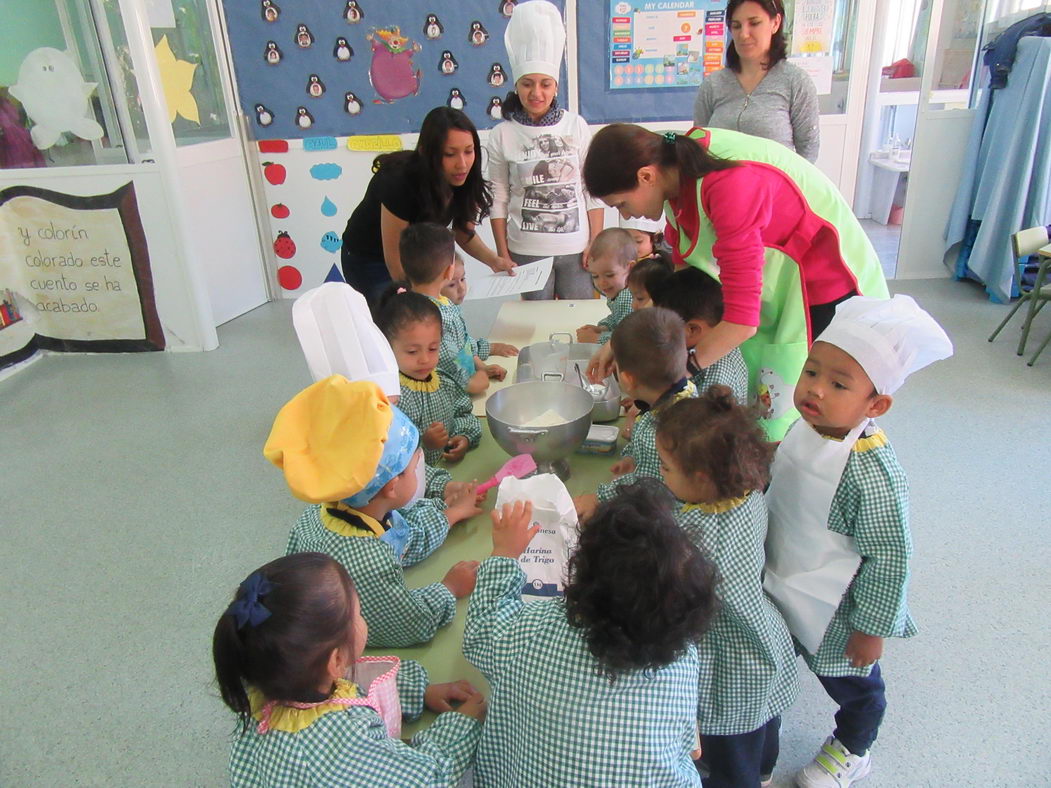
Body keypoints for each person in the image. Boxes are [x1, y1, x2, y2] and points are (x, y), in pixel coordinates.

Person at [582, 123, 889, 440]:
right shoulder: (675, 180)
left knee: (816, 414)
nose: (627, 216)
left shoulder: (727, 185)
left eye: (621, 204)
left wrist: (679, 373)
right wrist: (623, 343)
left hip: (826, 289)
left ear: (646, 176)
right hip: (776, 287)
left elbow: (742, 322)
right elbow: (684, 296)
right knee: (765, 404)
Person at [763, 295, 953, 787]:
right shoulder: (807, 426)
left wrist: (871, 629)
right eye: (811, 372)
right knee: (780, 657)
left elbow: (892, 556)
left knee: (853, 686)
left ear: (876, 404)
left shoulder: (872, 475)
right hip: (786, 574)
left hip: (840, 610)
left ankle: (854, 746)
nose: (815, 389)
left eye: (838, 383)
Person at [463, 482, 720, 786]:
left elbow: (480, 632)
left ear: (580, 573)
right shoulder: (684, 657)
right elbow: (689, 747)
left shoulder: (529, 632)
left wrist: (504, 554)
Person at [213, 552, 485, 786]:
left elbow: (355, 691)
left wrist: (419, 692)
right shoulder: (342, 744)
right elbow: (430, 779)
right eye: (358, 614)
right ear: (336, 661)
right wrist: (461, 725)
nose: (362, 619)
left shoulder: (270, 682)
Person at [264, 376, 481, 647]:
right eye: (416, 467)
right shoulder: (370, 562)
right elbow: (407, 626)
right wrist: (449, 588)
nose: (421, 472)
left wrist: (452, 513)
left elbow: (402, 539)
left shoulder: (332, 510)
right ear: (392, 486)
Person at [655, 392, 798, 788]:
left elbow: (672, 606)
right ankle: (765, 766)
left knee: (733, 748)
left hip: (725, 660)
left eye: (665, 468)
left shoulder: (691, 540)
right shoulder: (748, 494)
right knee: (762, 719)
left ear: (701, 478)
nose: (661, 475)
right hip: (763, 634)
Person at [341, 106, 515, 309]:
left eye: (469, 151)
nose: (462, 164)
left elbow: (462, 231)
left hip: (417, 257)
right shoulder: (398, 181)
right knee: (396, 322)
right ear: (428, 154)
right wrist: (418, 302)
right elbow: (395, 258)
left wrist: (494, 260)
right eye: (450, 154)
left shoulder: (463, 178)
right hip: (370, 259)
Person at [486, 0, 603, 299]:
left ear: (555, 87)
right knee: (535, 331)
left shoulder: (575, 125)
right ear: (516, 86)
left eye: (545, 84)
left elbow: (591, 190)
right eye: (527, 84)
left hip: (577, 250)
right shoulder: (503, 134)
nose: (536, 93)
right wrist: (502, 252)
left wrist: (595, 241)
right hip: (524, 251)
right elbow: (498, 196)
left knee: (578, 326)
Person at [574, 308, 695, 520]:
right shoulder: (688, 392)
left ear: (628, 380)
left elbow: (649, 487)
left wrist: (599, 498)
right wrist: (633, 457)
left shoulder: (658, 431)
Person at [693, 0, 820, 162]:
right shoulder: (712, 85)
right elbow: (698, 146)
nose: (744, 34)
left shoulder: (795, 82)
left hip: (775, 186)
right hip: (721, 186)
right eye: (736, 26)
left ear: (775, 23)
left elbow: (808, 151)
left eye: (754, 23)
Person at [399, 224, 513, 394]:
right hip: (452, 396)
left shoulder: (442, 302)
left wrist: (483, 367)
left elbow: (463, 343)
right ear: (449, 271)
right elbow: (446, 365)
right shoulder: (430, 318)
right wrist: (475, 383)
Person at [376, 291, 481, 466]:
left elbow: (463, 413)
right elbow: (392, 462)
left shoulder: (444, 381)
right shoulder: (392, 401)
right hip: (419, 485)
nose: (424, 359)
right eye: (412, 351)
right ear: (386, 348)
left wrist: (464, 437)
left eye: (432, 348)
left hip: (450, 468)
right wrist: (424, 444)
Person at [651, 267, 749, 404]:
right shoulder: (696, 353)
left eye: (663, 325)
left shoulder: (717, 372)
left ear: (692, 330)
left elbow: (705, 423)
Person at [575, 228, 636, 344]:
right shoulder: (618, 291)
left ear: (631, 268)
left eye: (609, 275)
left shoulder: (628, 297)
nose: (602, 283)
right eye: (595, 276)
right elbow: (617, 318)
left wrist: (596, 339)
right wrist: (602, 328)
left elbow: (627, 338)